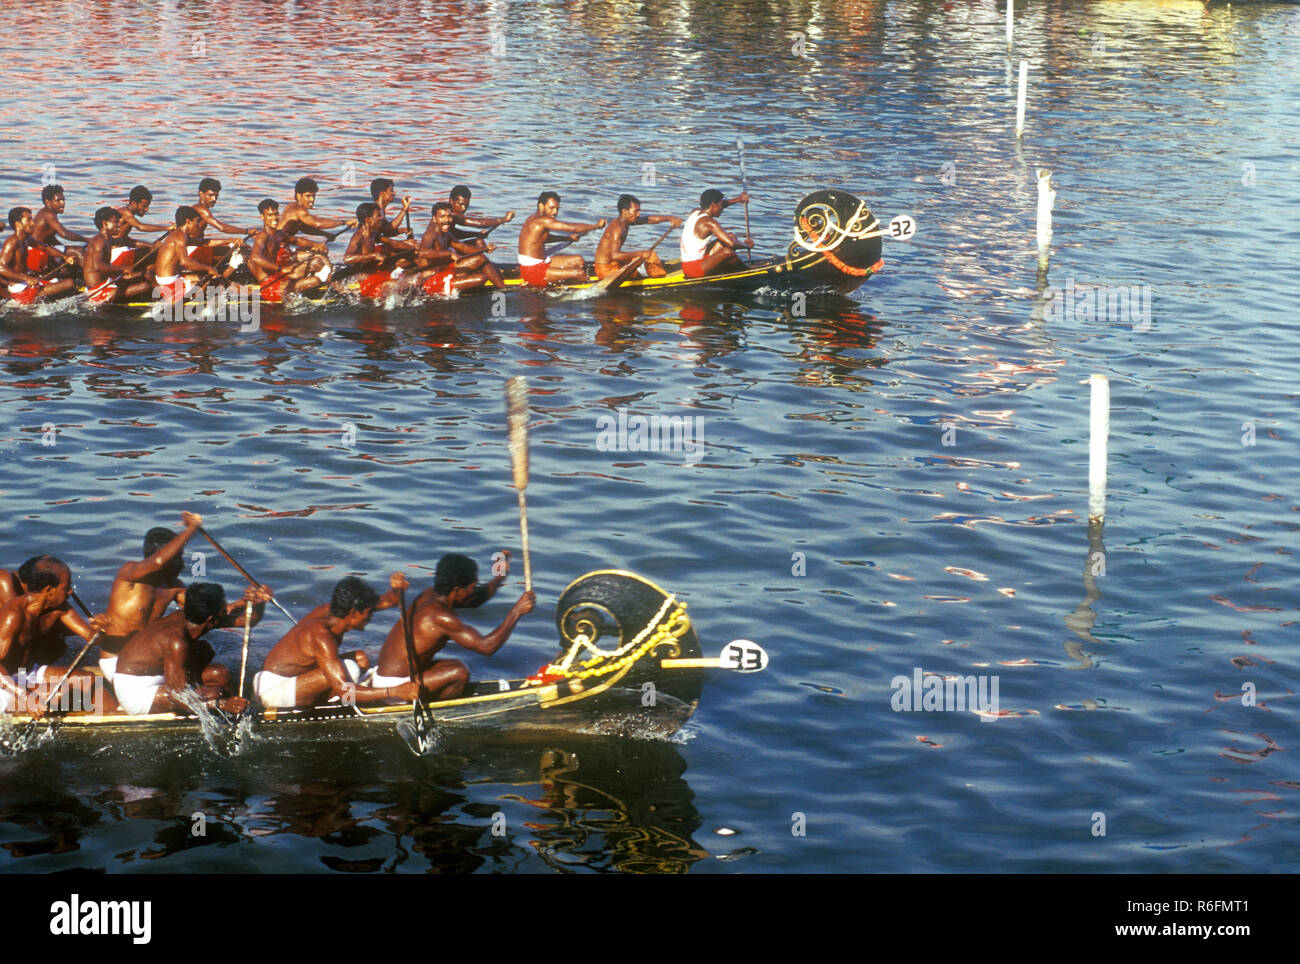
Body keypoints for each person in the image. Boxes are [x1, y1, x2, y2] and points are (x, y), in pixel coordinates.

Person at [371, 553, 533, 701]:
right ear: (457, 590)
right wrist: (516, 612)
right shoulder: (439, 616)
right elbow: (487, 647)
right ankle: (437, 711)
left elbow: (476, 598)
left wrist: (498, 578)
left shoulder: (431, 594)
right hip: (396, 687)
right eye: (472, 587)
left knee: (452, 665)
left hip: (389, 677)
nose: (473, 591)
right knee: (459, 672)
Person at [253, 574, 419, 709]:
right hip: (271, 691)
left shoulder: (334, 610)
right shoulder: (321, 636)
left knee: (360, 658)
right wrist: (395, 691)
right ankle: (346, 706)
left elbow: (389, 600)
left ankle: (351, 701)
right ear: (353, 613)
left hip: (294, 679)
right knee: (351, 669)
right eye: (368, 613)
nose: (371, 617)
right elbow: (343, 690)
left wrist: (397, 589)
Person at [112, 582, 264, 716]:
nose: (227, 613)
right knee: (214, 693)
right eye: (223, 611)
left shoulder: (195, 617)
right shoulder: (176, 640)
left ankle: (234, 714)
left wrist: (257, 603)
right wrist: (222, 704)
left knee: (220, 673)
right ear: (212, 619)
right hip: (137, 692)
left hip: (162, 676)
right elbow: (180, 695)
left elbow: (247, 620)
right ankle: (226, 709)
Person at [95, 513, 204, 683]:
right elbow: (157, 562)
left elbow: (203, 610)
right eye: (177, 558)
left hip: (146, 660)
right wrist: (192, 528)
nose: (182, 564)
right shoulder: (129, 573)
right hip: (115, 661)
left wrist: (248, 602)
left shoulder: (174, 586)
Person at [0, 557, 99, 718]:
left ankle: (106, 720)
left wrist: (100, 628)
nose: (70, 592)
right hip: (5, 685)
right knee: (63, 694)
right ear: (48, 590)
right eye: (66, 587)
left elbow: (92, 637)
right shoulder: (13, 614)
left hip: (25, 672)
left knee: (87, 679)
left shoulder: (61, 608)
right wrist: (25, 696)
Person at [150, 205, 238, 305]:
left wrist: (230, 240)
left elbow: (205, 243)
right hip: (169, 284)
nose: (198, 225)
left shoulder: (179, 234)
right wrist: (208, 268)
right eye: (197, 222)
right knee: (210, 282)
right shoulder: (180, 236)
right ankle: (189, 302)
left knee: (204, 277)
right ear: (188, 221)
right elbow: (185, 261)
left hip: (169, 278)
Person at [412, 201, 503, 295]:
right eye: (442, 216)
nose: (447, 220)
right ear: (434, 219)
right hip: (433, 280)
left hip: (446, 270)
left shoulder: (446, 233)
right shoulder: (429, 235)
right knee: (481, 278)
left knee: (481, 258)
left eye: (449, 216)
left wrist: (485, 249)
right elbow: (422, 252)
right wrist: (450, 254)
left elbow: (463, 247)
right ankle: (503, 291)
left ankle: (502, 289)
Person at [516, 191, 605, 287]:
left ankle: (568, 280)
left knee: (579, 260)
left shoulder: (535, 218)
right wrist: (595, 226)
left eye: (557, 209)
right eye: (551, 208)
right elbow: (571, 228)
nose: (555, 212)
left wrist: (567, 238)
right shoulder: (541, 220)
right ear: (541, 206)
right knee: (579, 273)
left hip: (541, 262)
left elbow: (543, 239)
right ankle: (587, 286)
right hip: (532, 271)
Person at [247, 199, 330, 302]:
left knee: (317, 261)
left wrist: (316, 245)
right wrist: (280, 269)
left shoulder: (279, 234)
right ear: (262, 217)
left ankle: (332, 282)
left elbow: (297, 240)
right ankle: (330, 287)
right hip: (270, 287)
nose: (274, 218)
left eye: (276, 214)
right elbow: (255, 257)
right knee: (315, 280)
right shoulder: (262, 237)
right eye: (270, 215)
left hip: (279, 277)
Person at [1, 207, 78, 304]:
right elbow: (1, 267)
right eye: (29, 220)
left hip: (26, 283)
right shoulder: (12, 241)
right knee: (70, 283)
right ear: (18, 224)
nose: (33, 223)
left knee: (61, 277)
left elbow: (46, 248)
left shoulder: (27, 239)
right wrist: (27, 278)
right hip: (19, 288)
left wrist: (65, 257)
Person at [594, 194, 681, 280]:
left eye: (639, 211)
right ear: (624, 212)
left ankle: (652, 273)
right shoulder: (617, 228)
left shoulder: (625, 221)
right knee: (650, 255)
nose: (638, 214)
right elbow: (614, 255)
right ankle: (660, 279)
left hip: (614, 264)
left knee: (646, 257)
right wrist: (641, 253)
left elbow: (648, 219)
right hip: (606, 271)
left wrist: (670, 218)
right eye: (636, 211)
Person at [83, 207, 154, 305]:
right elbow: (97, 266)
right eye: (115, 222)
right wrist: (122, 268)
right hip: (97, 291)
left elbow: (130, 242)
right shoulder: (98, 241)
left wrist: (152, 246)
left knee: (147, 275)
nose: (119, 225)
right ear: (105, 223)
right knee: (144, 286)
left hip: (108, 282)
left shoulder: (108, 239)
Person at [679, 189, 752, 278]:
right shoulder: (708, 222)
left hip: (691, 263)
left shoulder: (695, 212)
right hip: (693, 269)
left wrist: (738, 199)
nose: (722, 208)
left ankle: (733, 267)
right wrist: (747, 245)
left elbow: (724, 204)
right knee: (728, 252)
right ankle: (748, 271)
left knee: (731, 236)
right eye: (720, 205)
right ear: (713, 204)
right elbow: (732, 244)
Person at [29, 184, 89, 272]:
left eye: (63, 200)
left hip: (42, 250)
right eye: (58, 200)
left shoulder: (47, 213)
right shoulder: (48, 213)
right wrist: (87, 240)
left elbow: (49, 238)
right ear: (48, 202)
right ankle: (90, 280)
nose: (63, 203)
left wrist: (63, 249)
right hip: (36, 253)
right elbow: (64, 234)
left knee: (69, 256)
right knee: (79, 250)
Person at [111, 185, 172, 269]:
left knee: (154, 259)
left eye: (148, 206)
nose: (147, 209)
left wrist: (151, 245)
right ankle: (178, 282)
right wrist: (167, 228)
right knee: (168, 254)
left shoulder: (127, 218)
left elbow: (128, 241)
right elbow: (141, 227)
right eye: (144, 206)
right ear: (133, 203)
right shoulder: (125, 212)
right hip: (118, 255)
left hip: (121, 253)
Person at [448, 184, 513, 242]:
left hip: (445, 245)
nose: (463, 208)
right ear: (451, 201)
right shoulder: (449, 214)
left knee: (479, 242)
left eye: (466, 205)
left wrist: (477, 234)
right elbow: (479, 223)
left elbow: (454, 233)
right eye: (460, 204)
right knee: (480, 243)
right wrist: (503, 219)